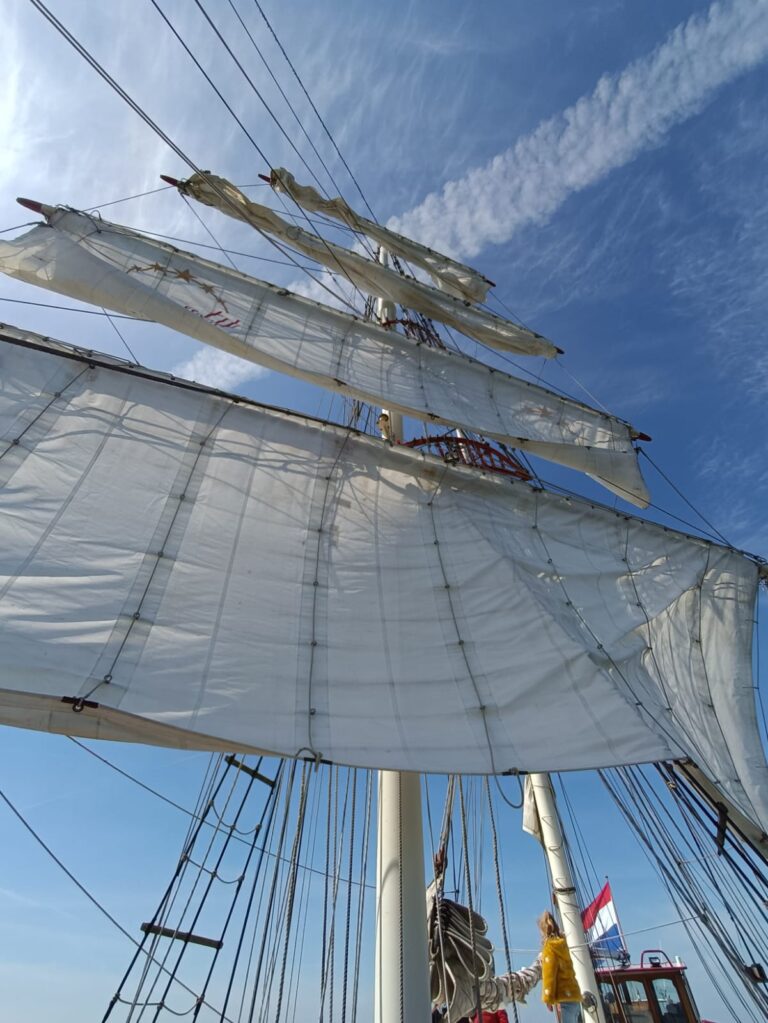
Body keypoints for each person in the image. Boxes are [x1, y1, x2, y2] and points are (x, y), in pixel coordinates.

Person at [539, 910, 583, 1022]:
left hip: (564, 999)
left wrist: (548, 998)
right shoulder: (563, 944)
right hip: (574, 996)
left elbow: (549, 975)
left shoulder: (550, 947)